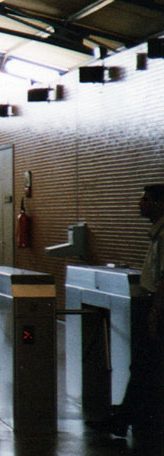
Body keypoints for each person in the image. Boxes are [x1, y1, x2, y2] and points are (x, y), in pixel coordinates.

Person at [92, 184, 164, 440]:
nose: (140, 203)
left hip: (158, 307)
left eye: (145, 199)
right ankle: (127, 419)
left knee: (145, 365)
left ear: (159, 204)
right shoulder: (157, 234)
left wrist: (155, 311)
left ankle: (125, 420)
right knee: (146, 366)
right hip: (154, 304)